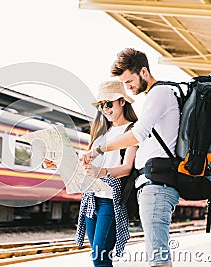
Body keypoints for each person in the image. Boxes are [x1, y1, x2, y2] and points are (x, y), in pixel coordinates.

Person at [81, 48, 180, 267]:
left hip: (137, 190)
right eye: (101, 105)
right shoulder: (102, 132)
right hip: (98, 196)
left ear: (143, 71)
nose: (129, 87)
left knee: (154, 256)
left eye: (129, 81)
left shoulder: (159, 94)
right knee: (104, 257)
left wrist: (99, 151)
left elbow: (137, 136)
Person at [75, 80, 138, 267]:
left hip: (110, 201)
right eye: (102, 105)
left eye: (109, 104)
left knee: (100, 256)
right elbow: (89, 167)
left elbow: (127, 167)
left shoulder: (132, 130)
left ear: (122, 101)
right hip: (91, 199)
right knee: (98, 256)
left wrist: (101, 172)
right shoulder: (101, 132)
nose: (105, 109)